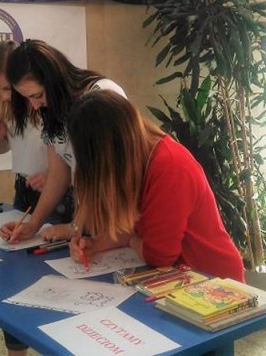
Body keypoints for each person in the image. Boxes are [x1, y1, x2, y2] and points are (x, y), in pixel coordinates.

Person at [67, 90, 245, 282]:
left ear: (106, 155)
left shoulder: (170, 166)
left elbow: (159, 257)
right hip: (186, 278)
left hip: (216, 282)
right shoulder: (140, 159)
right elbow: (134, 228)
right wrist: (95, 244)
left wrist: (130, 239)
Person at [0, 41, 74, 356]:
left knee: (58, 281)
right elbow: (3, 146)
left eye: (8, 88)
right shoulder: (11, 103)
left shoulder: (47, 101)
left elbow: (69, 158)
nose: (6, 96)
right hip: (24, 191)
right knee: (16, 279)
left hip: (58, 194)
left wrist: (55, 176)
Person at [0, 39, 126, 244]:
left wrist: (76, 226)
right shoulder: (52, 107)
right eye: (28, 98)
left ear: (53, 80)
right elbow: (58, 172)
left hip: (116, 217)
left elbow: (105, 173)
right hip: (89, 215)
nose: (35, 105)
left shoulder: (101, 96)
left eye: (38, 95)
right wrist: (33, 225)